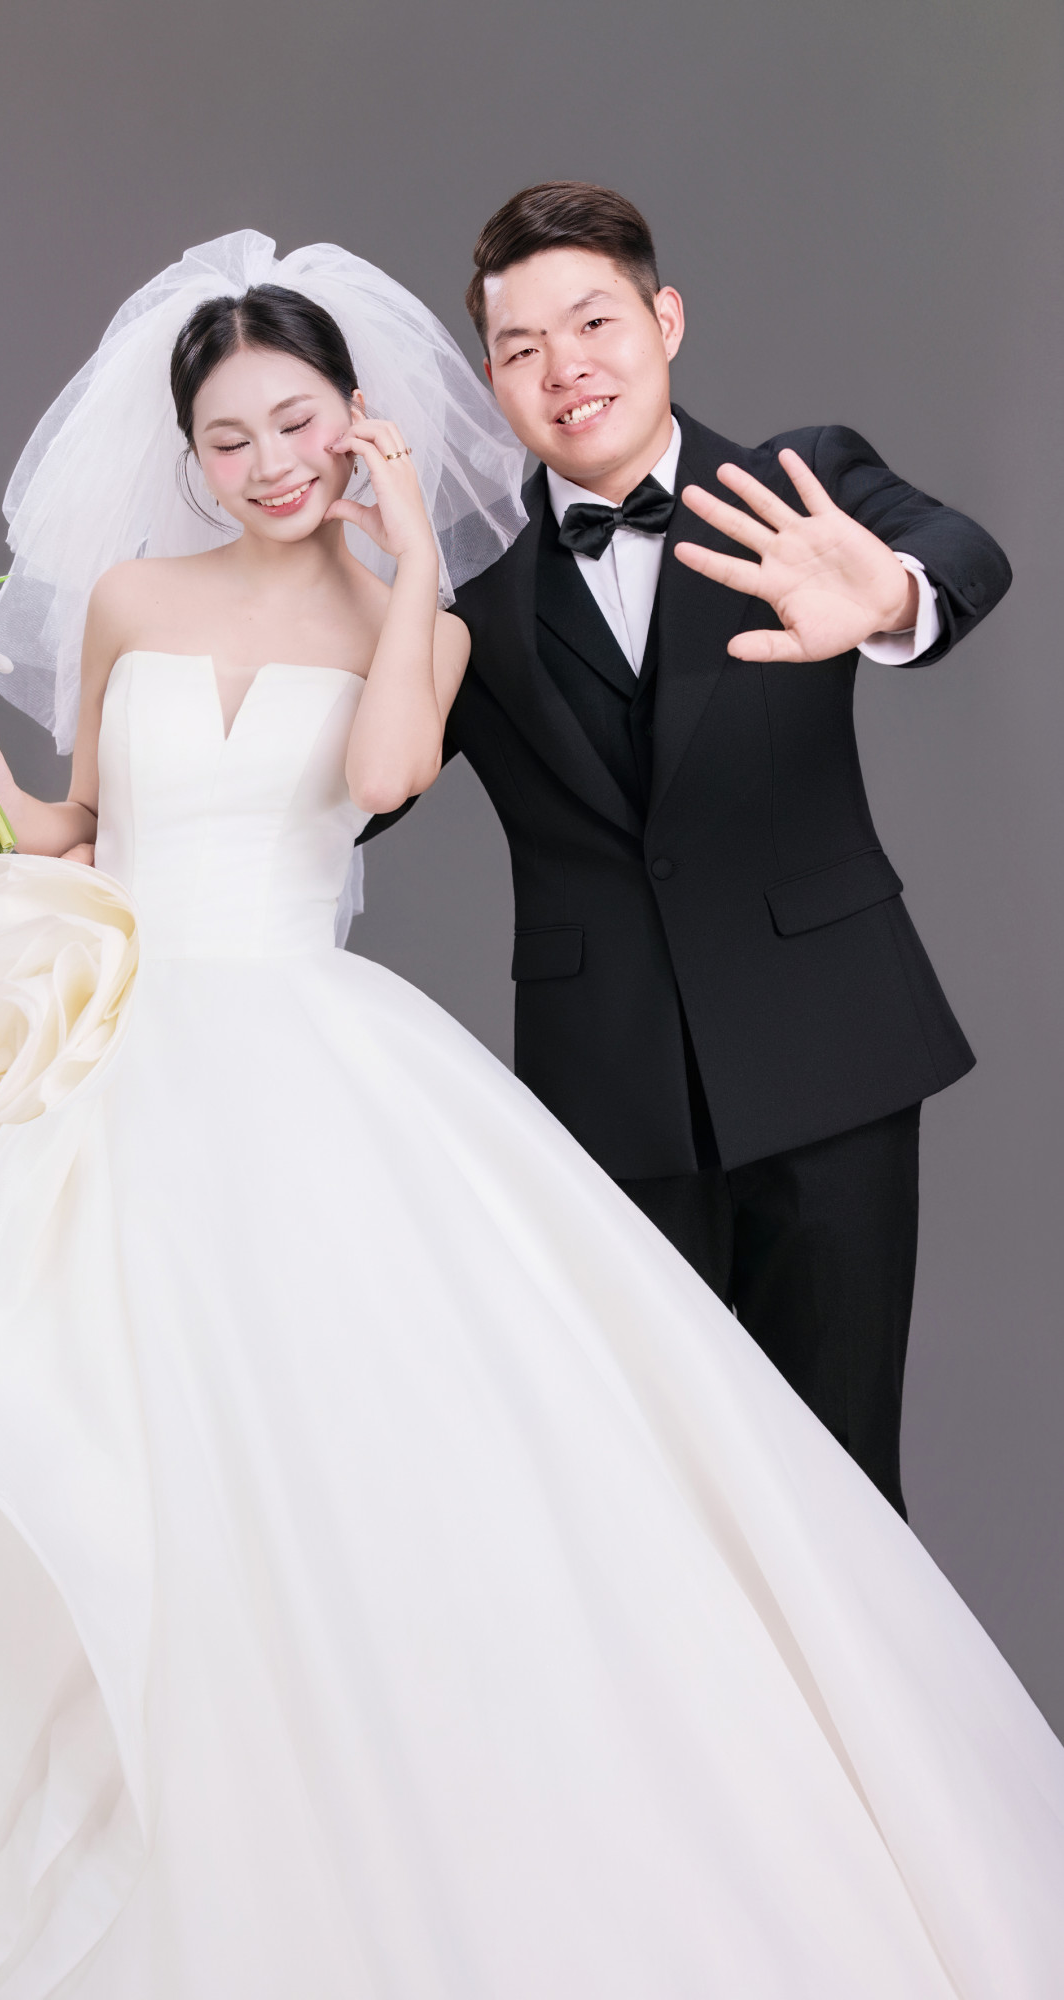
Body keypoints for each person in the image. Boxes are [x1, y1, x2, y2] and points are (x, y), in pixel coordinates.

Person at [0, 233, 1059, 1998]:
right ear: (188, 457)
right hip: (124, 1051)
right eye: (228, 438)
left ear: (358, 417)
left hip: (349, 1061)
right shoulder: (127, 597)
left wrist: (419, 549)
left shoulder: (433, 615)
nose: (268, 462)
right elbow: (87, 829)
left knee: (464, 1478)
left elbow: (375, 780)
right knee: (73, 1431)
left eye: (296, 422)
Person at [364, 182, 1013, 1519]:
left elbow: (960, 552)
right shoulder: (466, 591)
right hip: (608, 1101)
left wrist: (886, 596)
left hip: (833, 1059)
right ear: (489, 382)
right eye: (521, 347)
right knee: (655, 1515)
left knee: (845, 1491)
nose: (564, 367)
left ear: (664, 320)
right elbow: (356, 799)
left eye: (593, 322)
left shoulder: (798, 482)